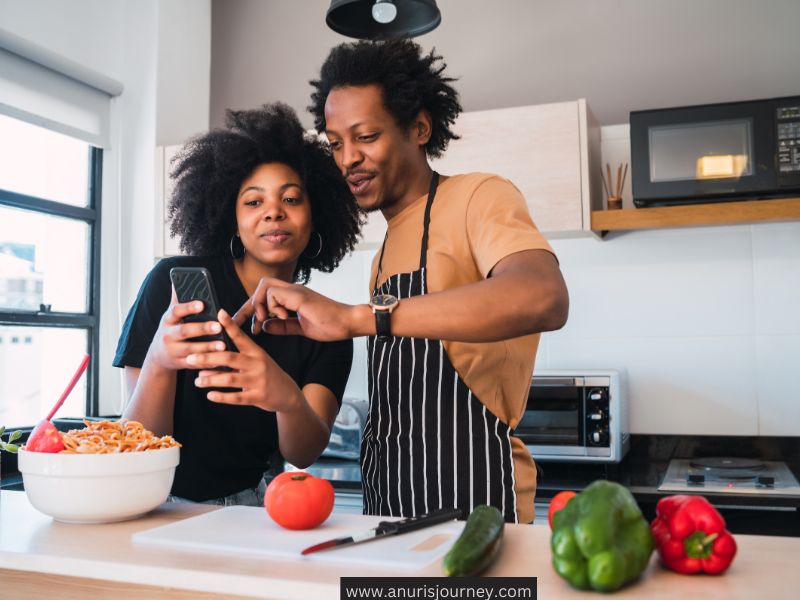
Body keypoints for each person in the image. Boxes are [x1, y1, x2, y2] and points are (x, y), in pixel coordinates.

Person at [235, 39, 569, 523]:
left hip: (474, 501)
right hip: (388, 504)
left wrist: (354, 318)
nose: (347, 158)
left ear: (419, 127)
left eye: (365, 136)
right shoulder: (386, 249)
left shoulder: (479, 196)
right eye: (335, 143)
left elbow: (543, 296)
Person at [113, 103, 361, 505]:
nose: (273, 212)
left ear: (315, 217)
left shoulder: (327, 324)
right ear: (232, 218)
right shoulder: (171, 285)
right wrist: (160, 361)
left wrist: (286, 397)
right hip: (153, 503)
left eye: (292, 199)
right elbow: (139, 442)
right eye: (253, 202)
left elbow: (303, 452)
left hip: (249, 508)